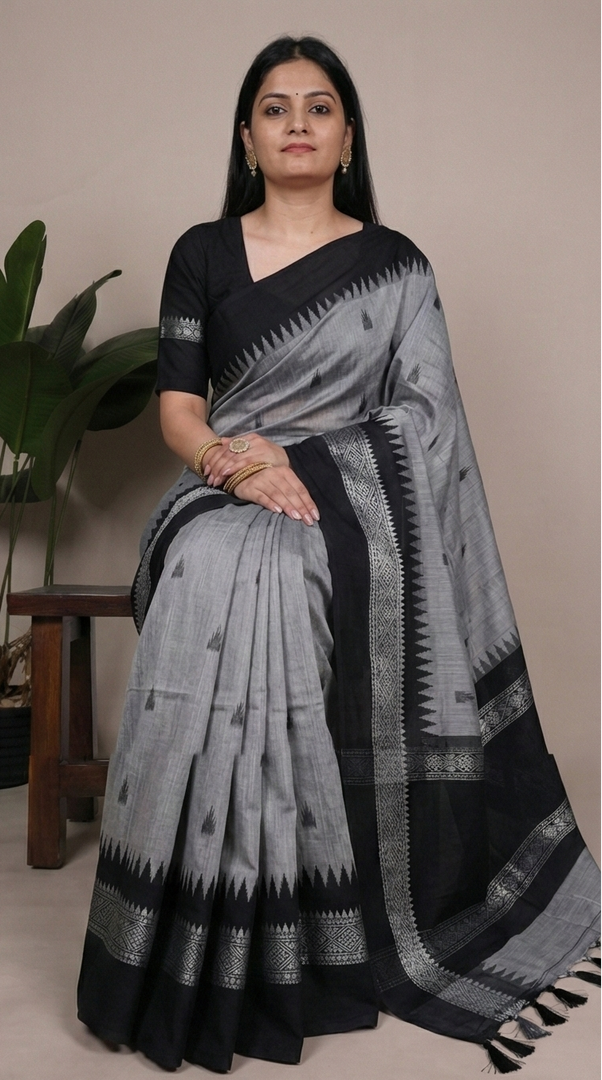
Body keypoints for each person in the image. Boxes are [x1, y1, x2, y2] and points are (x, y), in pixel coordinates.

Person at [77, 35, 601, 1075]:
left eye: (320, 107)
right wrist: (235, 468)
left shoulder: (395, 265)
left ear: (348, 137)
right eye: (275, 108)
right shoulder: (203, 252)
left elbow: (425, 419)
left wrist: (306, 466)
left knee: (279, 569)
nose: (298, 123)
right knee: (222, 565)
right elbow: (180, 412)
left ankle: (308, 933)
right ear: (247, 136)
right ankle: (186, 936)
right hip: (221, 486)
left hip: (354, 510)